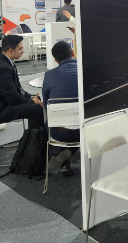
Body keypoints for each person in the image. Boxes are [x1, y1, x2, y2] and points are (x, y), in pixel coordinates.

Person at [0, 35, 43, 133]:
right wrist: (31, 102)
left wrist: (31, 97)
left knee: (37, 99)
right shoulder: (2, 68)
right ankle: (34, 140)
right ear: (10, 50)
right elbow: (13, 98)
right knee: (37, 109)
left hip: (1, 102)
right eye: (20, 49)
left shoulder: (5, 62)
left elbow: (18, 89)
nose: (22, 51)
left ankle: (36, 136)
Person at [42, 40, 79, 176]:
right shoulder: (86, 70)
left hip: (59, 133)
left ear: (56, 60)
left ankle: (63, 158)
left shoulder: (49, 76)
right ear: (73, 53)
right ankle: (68, 153)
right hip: (84, 130)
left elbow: (46, 105)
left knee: (49, 120)